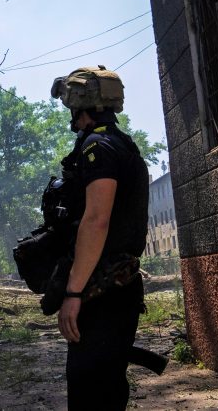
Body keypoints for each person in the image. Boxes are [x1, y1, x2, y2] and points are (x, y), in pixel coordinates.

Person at [50, 66, 149, 410]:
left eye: (73, 109)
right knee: (106, 388)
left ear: (82, 106)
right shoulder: (121, 145)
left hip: (102, 290)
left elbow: (96, 220)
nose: (72, 120)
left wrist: (74, 292)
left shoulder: (98, 147)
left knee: (90, 390)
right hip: (117, 286)